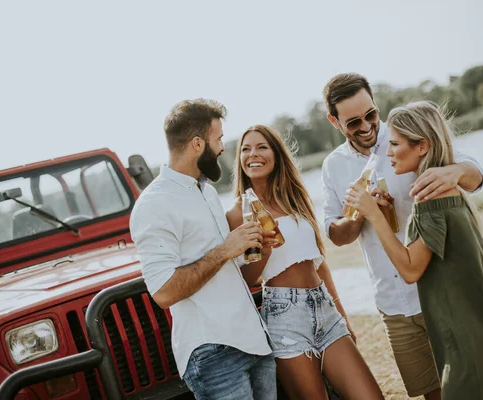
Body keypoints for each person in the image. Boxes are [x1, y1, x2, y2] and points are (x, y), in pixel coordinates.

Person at [346, 100, 483, 399]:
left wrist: (374, 217)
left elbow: (410, 269)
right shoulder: (447, 189)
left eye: (395, 144)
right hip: (481, 324)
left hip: (466, 335)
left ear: (422, 146)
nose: (387, 152)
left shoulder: (430, 198)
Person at [321, 73, 483, 400]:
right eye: (354, 121)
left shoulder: (405, 133)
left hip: (440, 288)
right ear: (334, 121)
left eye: (371, 114)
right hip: (393, 302)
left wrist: (453, 171)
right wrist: (358, 215)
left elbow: (475, 174)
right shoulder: (333, 166)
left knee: (471, 385)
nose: (367, 126)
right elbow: (335, 234)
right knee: (432, 392)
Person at [130, 99, 277, 400]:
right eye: (219, 138)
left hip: (254, 340)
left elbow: (231, 277)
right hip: (214, 354)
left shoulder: (207, 192)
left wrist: (263, 248)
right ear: (198, 144)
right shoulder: (153, 205)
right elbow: (164, 293)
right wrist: (226, 250)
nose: (223, 147)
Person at [226, 124, 383, 400]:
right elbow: (247, 281)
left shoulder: (294, 198)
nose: (253, 154)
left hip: (325, 309)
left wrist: (342, 316)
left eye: (262, 147)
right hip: (284, 318)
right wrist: (265, 249)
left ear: (276, 155)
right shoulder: (238, 213)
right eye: (246, 149)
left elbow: (318, 264)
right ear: (239, 159)